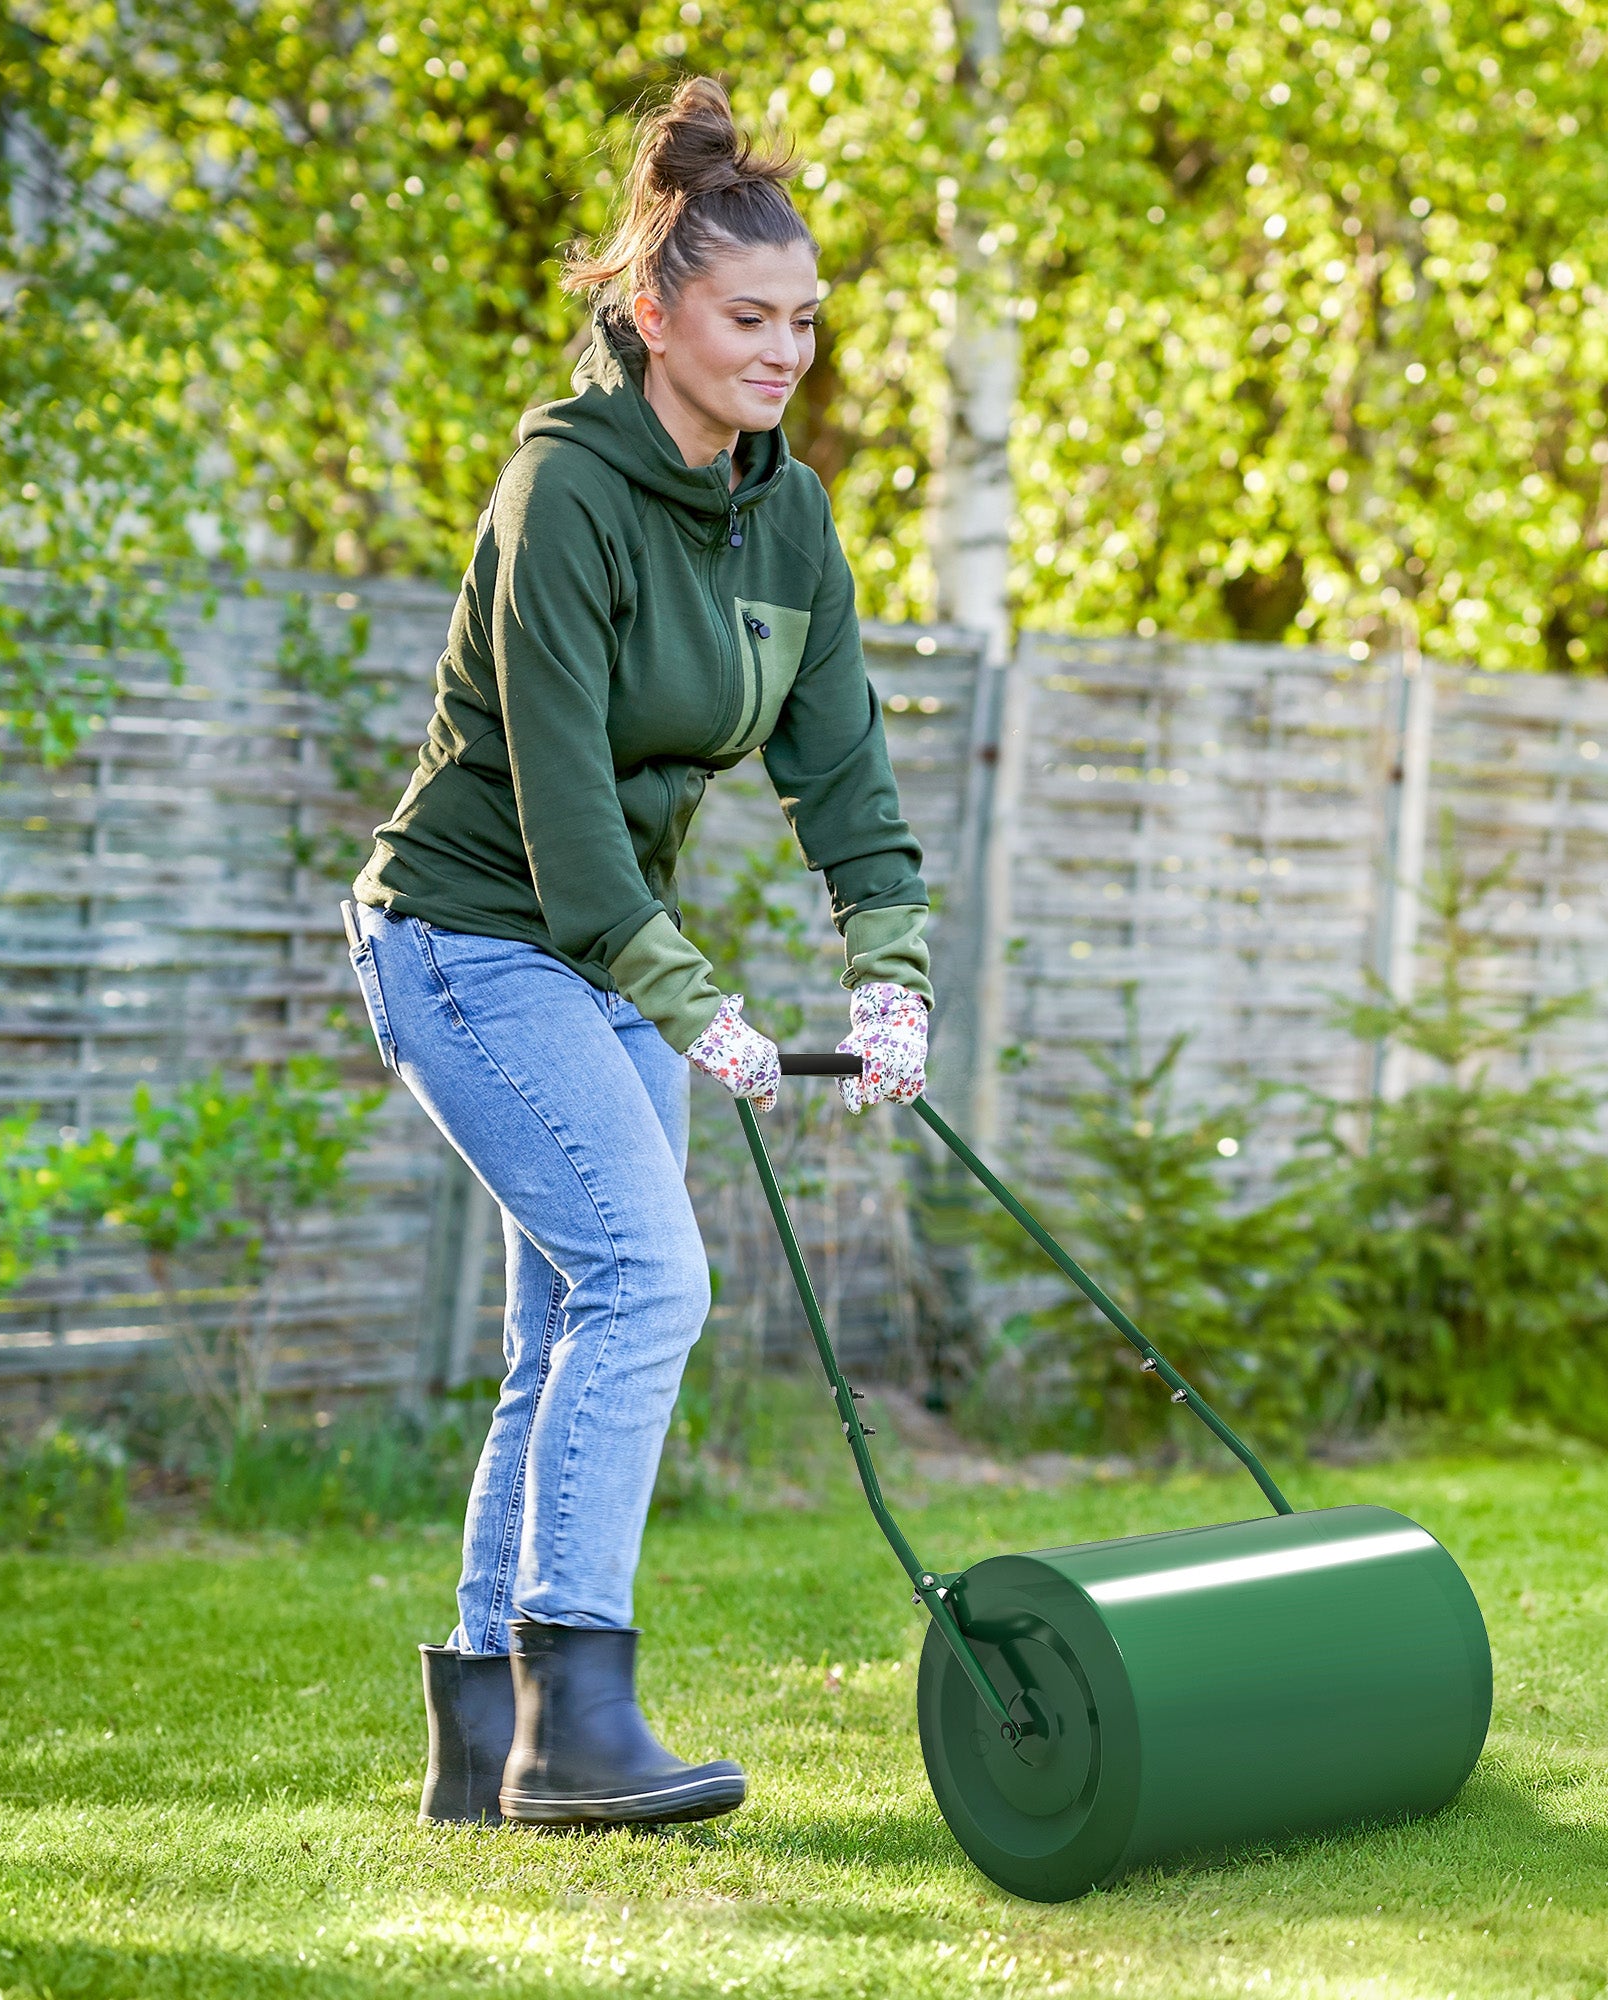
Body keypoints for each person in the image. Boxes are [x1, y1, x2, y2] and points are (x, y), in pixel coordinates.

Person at [342, 77, 933, 1831]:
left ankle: (486, 1742)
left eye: (806, 321)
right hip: (465, 935)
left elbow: (845, 766)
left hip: (599, 956)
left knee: (569, 1326)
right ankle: (576, 1724)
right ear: (656, 314)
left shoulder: (785, 516)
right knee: (650, 1284)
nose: (786, 353)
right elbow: (563, 812)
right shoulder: (563, 495)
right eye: (752, 319)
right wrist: (695, 1004)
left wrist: (890, 972)